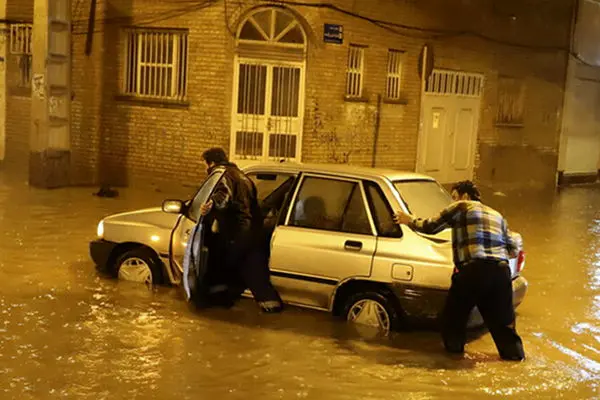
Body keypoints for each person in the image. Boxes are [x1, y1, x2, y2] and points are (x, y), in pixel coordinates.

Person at [393, 180, 525, 361]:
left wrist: (409, 219)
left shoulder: (461, 207)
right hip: (500, 272)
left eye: (454, 197)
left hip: (472, 270)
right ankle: (515, 359)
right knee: (503, 326)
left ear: (464, 196)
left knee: (453, 321)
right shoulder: (496, 215)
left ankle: (453, 363)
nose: (452, 202)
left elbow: (430, 226)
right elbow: (513, 247)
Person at [198, 147, 283, 313]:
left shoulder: (222, 175)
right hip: (251, 233)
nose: (204, 169)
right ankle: (269, 308)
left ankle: (218, 305)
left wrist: (211, 205)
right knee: (251, 272)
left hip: (236, 234)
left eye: (204, 164)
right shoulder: (243, 176)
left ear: (211, 163)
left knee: (226, 268)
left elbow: (223, 197)